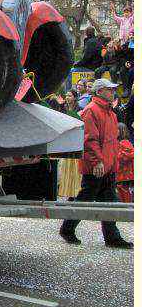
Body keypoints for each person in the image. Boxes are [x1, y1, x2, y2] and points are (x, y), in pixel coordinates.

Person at [59, 78, 132, 249]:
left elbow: (109, 142)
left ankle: (111, 237)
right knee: (88, 200)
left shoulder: (109, 112)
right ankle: (68, 229)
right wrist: (97, 161)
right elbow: (90, 140)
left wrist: (110, 163)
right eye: (109, 89)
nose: (113, 92)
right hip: (98, 166)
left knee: (106, 202)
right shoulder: (92, 111)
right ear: (99, 92)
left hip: (107, 166)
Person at [116, 123, 133, 203]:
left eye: (117, 130)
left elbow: (131, 154)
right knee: (122, 192)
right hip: (121, 174)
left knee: (125, 194)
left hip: (125, 174)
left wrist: (118, 155)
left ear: (122, 131)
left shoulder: (124, 143)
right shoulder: (119, 142)